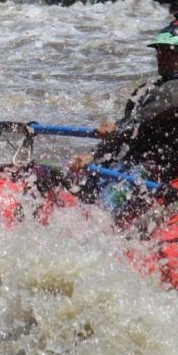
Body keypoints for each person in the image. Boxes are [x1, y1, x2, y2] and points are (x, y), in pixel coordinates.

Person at [70, 15, 178, 218]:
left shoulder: (172, 92)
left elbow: (133, 127)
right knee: (91, 179)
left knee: (109, 203)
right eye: (160, 50)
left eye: (170, 51)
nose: (161, 56)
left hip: (159, 167)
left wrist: (93, 155)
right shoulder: (151, 88)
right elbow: (129, 125)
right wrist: (109, 134)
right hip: (136, 158)